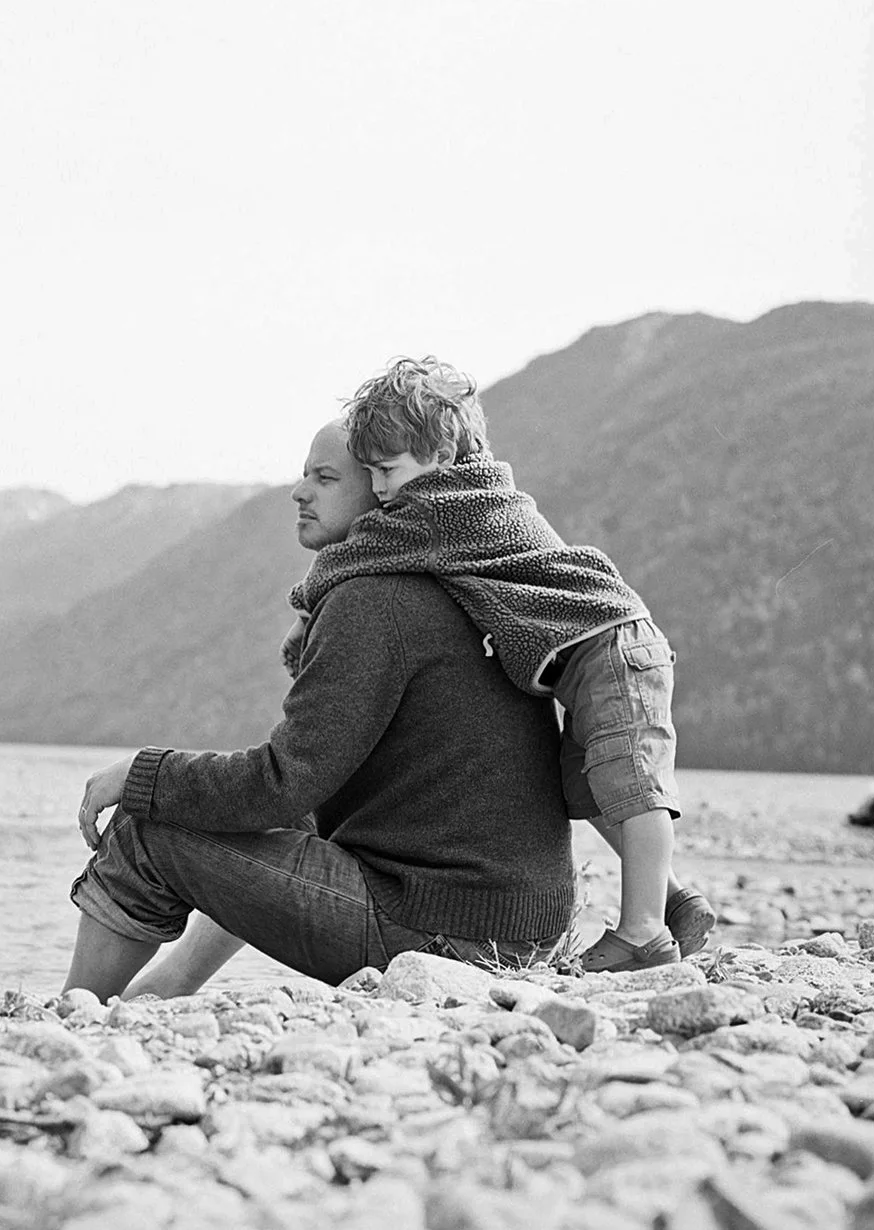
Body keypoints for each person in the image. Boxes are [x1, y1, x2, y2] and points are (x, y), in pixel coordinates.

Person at [61, 418, 576, 1003]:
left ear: (382, 493)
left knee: (147, 822)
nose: (299, 492)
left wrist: (140, 774)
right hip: (518, 929)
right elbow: (301, 799)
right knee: (239, 812)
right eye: (304, 474)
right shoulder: (453, 581)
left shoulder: (373, 598)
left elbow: (279, 783)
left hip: (443, 932)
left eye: (325, 478)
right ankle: (170, 984)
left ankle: (72, 1013)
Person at [289, 355, 713, 972]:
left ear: (439, 455)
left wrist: (306, 606)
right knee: (586, 789)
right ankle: (675, 897)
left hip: (611, 644)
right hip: (588, 653)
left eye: (386, 469)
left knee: (632, 786)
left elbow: (362, 553)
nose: (379, 490)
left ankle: (643, 933)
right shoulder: (479, 494)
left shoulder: (441, 510)